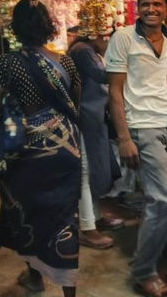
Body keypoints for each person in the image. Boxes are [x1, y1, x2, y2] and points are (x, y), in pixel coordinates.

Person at [105, 0, 167, 297]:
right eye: (145, 4)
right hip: (142, 128)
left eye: (157, 4)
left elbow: (158, 82)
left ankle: (156, 260)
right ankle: (143, 272)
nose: (151, 9)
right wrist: (125, 137)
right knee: (161, 200)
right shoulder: (123, 38)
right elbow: (115, 92)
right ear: (137, 7)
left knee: (166, 198)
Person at [0, 0, 82, 296]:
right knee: (64, 218)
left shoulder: (8, 63)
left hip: (27, 151)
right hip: (66, 148)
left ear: (17, 28)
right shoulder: (66, 62)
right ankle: (68, 291)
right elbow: (76, 103)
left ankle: (35, 277)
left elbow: (4, 106)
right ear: (49, 27)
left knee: (31, 214)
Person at [68, 30, 124, 250]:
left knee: (92, 170)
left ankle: (95, 219)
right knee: (85, 171)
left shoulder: (86, 50)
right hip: (84, 118)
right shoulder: (83, 50)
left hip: (91, 117)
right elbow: (105, 75)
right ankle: (87, 228)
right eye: (108, 39)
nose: (109, 44)